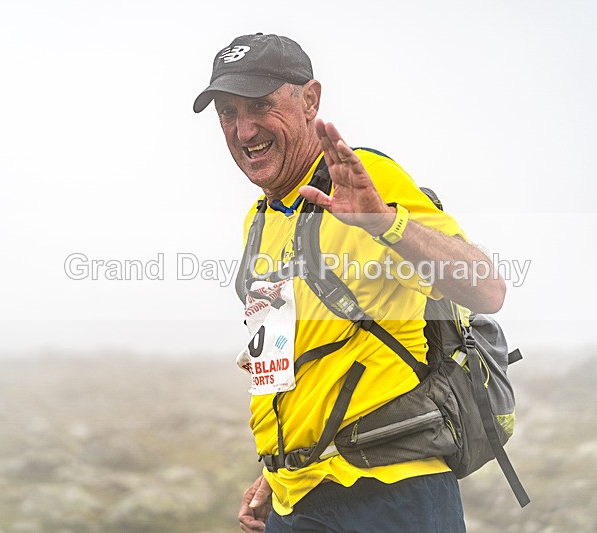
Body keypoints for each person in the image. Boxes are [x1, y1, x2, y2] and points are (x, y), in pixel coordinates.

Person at [193, 33, 506, 533]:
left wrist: (384, 222)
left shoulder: (363, 180)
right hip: (299, 501)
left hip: (390, 492)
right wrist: (278, 469)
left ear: (310, 100)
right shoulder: (260, 218)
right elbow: (284, 363)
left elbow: (487, 288)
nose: (243, 128)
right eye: (227, 113)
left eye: (260, 105)